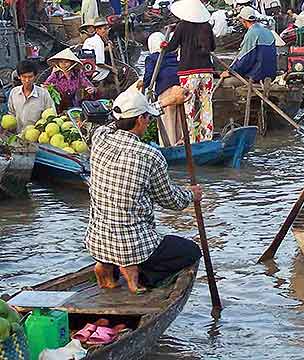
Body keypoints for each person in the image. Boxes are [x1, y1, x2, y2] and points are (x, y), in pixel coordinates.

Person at [85, 86, 202, 295]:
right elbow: (171, 201)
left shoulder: (99, 136)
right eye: (147, 118)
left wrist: (165, 102)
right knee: (191, 251)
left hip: (97, 241)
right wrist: (191, 195)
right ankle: (135, 273)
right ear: (140, 121)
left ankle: (107, 264)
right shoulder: (150, 155)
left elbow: (118, 119)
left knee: (117, 230)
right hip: (134, 245)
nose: (148, 121)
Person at [164, 0, 216, 143]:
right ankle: (207, 138)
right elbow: (213, 47)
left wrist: (164, 45)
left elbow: (171, 47)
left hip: (188, 72)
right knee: (206, 105)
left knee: (189, 106)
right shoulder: (206, 26)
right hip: (206, 71)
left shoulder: (182, 26)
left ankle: (191, 140)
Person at [143, 32, 182, 146]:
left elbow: (149, 76)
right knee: (179, 119)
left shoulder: (152, 58)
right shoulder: (174, 55)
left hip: (166, 90)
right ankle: (181, 143)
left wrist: (144, 85)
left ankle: (169, 145)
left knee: (167, 120)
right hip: (180, 88)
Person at [220, 7, 278, 82]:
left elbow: (245, 59)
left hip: (257, 75)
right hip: (271, 75)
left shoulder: (252, 33)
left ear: (243, 20)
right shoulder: (268, 31)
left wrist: (230, 72)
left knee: (227, 82)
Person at [7, 60, 56, 132]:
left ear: (35, 76)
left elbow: (51, 115)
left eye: (30, 77)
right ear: (19, 77)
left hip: (37, 138)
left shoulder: (43, 94)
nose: (27, 80)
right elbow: (11, 113)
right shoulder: (14, 92)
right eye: (24, 77)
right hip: (18, 135)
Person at [82, 18, 112, 83]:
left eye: (107, 29)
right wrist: (112, 68)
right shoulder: (99, 42)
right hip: (95, 71)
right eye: (105, 29)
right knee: (112, 71)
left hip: (86, 68)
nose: (107, 31)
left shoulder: (89, 40)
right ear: (97, 30)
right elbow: (99, 63)